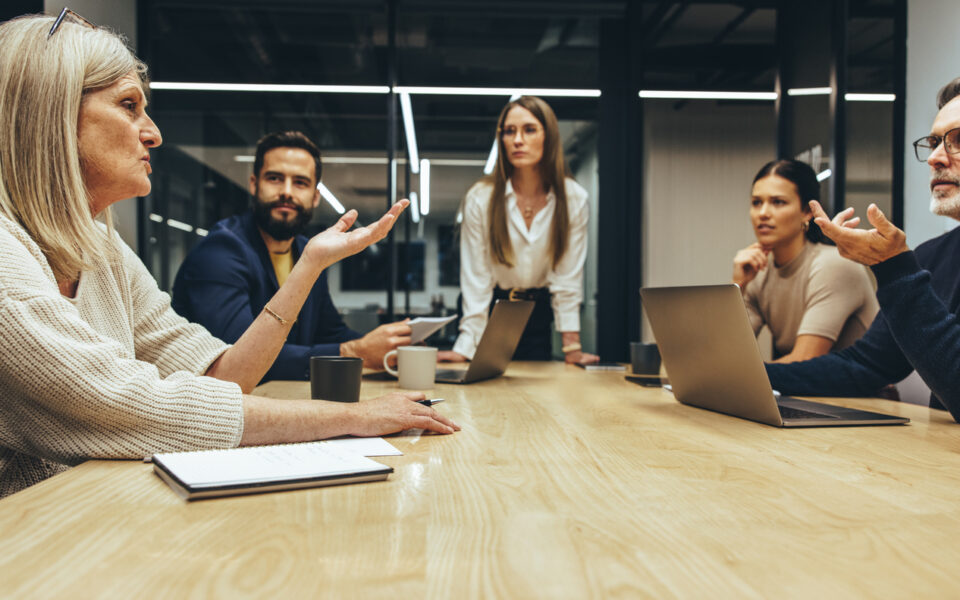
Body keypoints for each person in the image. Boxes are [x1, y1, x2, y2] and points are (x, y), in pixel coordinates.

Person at [0, 12, 457, 497]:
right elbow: (134, 405)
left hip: (86, 505)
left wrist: (310, 265)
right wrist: (353, 418)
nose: (152, 133)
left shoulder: (102, 246)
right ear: (50, 115)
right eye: (129, 105)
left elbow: (225, 375)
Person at [766, 76, 960, 422]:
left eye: (957, 141)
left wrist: (894, 267)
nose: (934, 158)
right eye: (933, 143)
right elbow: (866, 364)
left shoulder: (915, 264)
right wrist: (757, 378)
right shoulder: (934, 255)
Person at [172, 131, 412, 381]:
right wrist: (354, 352)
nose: (286, 191)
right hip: (216, 411)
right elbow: (240, 357)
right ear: (254, 184)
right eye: (275, 178)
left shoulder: (306, 251)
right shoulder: (220, 252)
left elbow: (330, 333)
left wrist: (391, 344)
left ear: (315, 196)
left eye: (300, 182)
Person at [443, 96, 599, 364]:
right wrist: (465, 347)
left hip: (536, 314)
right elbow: (476, 280)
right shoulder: (481, 198)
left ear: (548, 137)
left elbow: (567, 280)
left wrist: (571, 348)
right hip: (491, 312)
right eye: (508, 131)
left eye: (529, 130)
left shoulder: (574, 198)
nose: (517, 140)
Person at [732, 160, 878, 363]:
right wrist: (738, 286)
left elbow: (806, 359)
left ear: (807, 212)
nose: (763, 213)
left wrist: (736, 375)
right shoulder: (758, 273)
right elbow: (729, 354)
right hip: (805, 390)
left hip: (862, 393)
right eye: (757, 202)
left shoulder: (834, 265)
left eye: (778, 202)